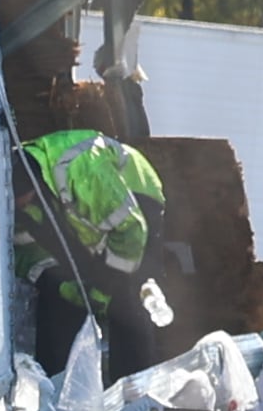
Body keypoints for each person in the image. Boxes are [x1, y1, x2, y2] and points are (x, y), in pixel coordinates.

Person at [15, 127, 164, 347]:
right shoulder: (24, 199)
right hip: (86, 222)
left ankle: (133, 378)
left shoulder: (81, 169)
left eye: (18, 202)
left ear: (26, 192)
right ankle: (58, 375)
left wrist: (105, 288)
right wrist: (63, 286)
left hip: (136, 190)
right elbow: (29, 251)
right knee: (65, 301)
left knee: (126, 298)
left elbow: (131, 228)